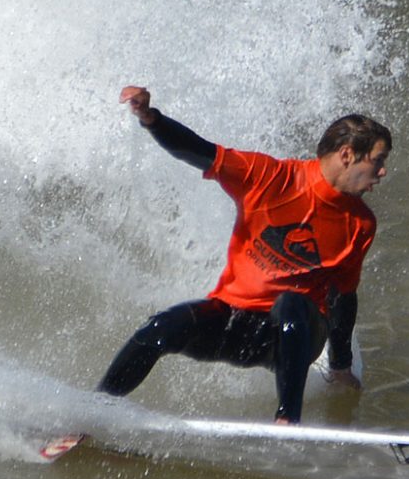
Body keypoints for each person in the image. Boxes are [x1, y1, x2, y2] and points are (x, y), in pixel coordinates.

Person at [99, 85, 390, 424]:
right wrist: (151, 119)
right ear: (347, 154)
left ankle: (287, 421)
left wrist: (340, 365)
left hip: (298, 337)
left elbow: (343, 296)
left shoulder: (360, 223)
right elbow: (197, 151)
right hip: (237, 325)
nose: (382, 172)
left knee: (292, 304)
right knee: (162, 326)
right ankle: (96, 410)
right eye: (378, 161)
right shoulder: (270, 178)